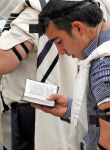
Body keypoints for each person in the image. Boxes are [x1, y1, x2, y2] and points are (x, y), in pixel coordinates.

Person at [33, 0, 110, 150]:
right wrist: (71, 107)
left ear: (77, 28)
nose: (61, 51)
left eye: (59, 41)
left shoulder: (106, 65)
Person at [0, 0, 78, 150]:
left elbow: (5, 59)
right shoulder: (67, 7)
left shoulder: (34, 13)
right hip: (60, 101)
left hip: (35, 108)